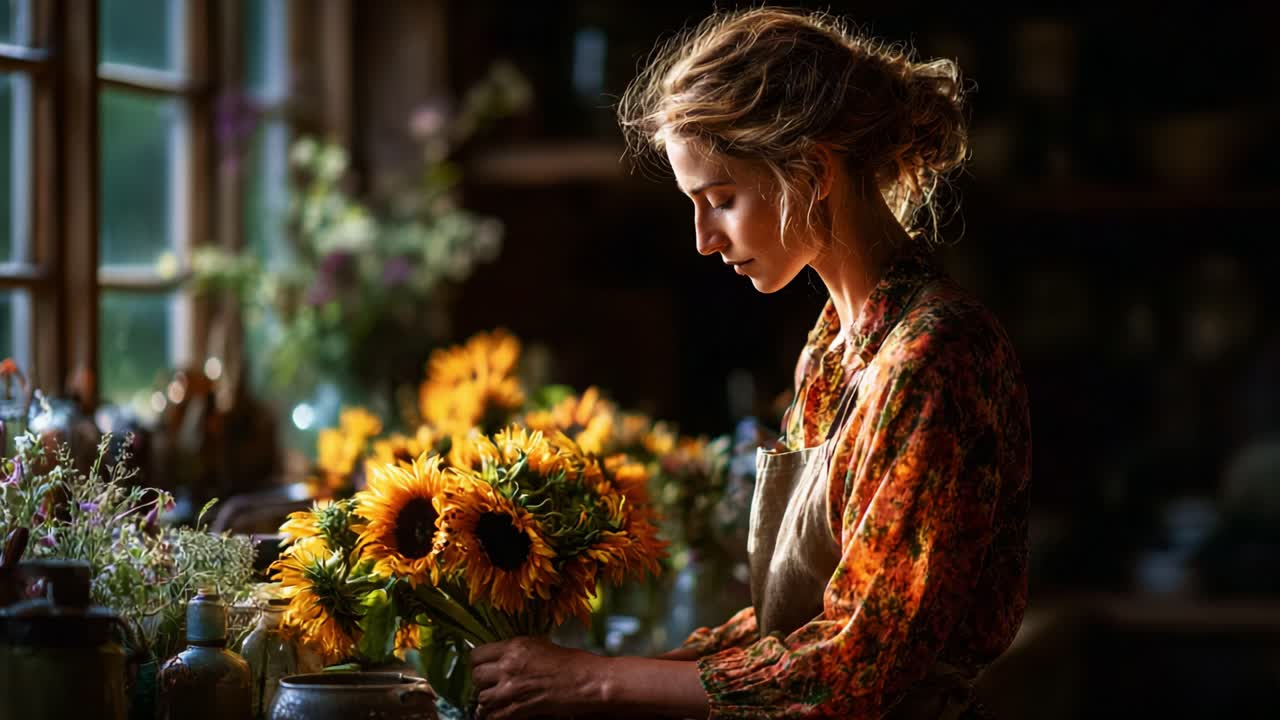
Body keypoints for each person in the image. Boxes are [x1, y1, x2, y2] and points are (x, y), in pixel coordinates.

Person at [471, 7, 1032, 719]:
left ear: (813, 169)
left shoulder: (935, 355)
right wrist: (585, 678)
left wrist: (597, 680)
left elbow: (860, 663)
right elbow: (789, 631)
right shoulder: (833, 349)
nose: (705, 239)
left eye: (722, 200)